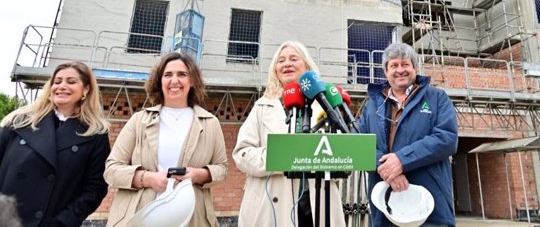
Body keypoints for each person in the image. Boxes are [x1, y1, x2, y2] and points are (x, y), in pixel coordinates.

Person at [104, 51, 227, 226]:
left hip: (191, 217)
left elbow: (222, 168)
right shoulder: (139, 120)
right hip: (142, 216)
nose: (174, 80)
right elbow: (111, 169)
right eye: (168, 75)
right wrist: (147, 178)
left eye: (182, 74)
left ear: (192, 81)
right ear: (160, 81)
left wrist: (199, 174)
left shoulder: (211, 123)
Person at [233, 40, 347, 227]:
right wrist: (282, 158)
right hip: (272, 207)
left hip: (318, 205)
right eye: (281, 61)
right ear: (275, 69)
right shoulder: (263, 106)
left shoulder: (326, 105)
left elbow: (344, 155)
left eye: (294, 59)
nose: (287, 64)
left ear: (307, 66)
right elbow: (242, 153)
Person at [357, 42, 458, 227]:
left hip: (430, 205)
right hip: (384, 204)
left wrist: (402, 160)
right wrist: (389, 170)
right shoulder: (372, 105)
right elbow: (359, 143)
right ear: (385, 72)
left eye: (405, 64)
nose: (400, 70)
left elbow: (447, 138)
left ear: (414, 68)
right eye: (394, 65)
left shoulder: (437, 98)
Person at [0, 61, 111, 227]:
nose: (62, 86)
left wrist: (62, 223)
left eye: (71, 82)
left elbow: (94, 190)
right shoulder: (18, 121)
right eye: (57, 81)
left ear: (85, 90)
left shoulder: (96, 134)